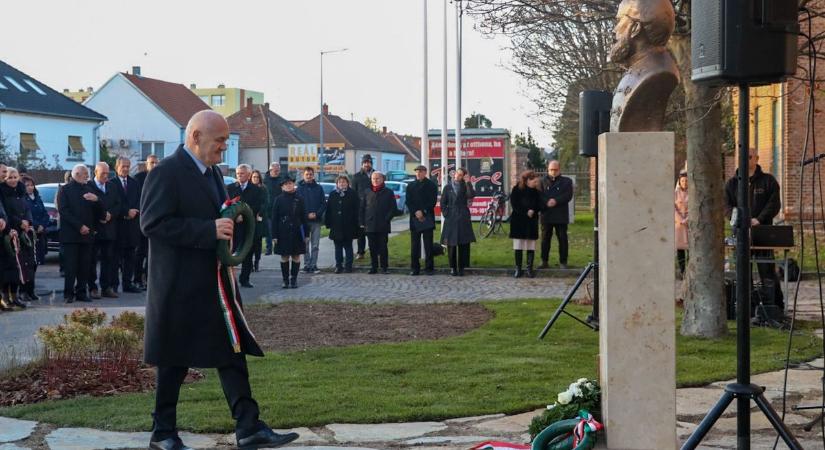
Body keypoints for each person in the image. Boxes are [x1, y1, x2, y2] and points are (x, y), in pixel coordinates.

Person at [141, 110, 298, 449]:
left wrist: (230, 232)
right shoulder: (166, 173)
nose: (225, 148)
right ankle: (163, 432)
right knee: (174, 359)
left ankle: (249, 426)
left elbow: (217, 215)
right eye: (220, 141)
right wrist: (207, 229)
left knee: (231, 350)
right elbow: (152, 224)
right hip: (178, 284)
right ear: (196, 136)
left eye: (226, 141)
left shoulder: (211, 173)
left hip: (213, 282)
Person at [725, 148, 783, 310]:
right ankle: (747, 308)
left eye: (749, 157)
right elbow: (726, 206)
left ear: (756, 158)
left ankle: (771, 307)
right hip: (741, 233)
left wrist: (759, 219)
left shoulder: (769, 181)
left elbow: (774, 204)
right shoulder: (732, 183)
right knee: (743, 273)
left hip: (763, 233)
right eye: (742, 157)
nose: (745, 160)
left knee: (767, 272)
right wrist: (739, 220)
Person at [58, 164, 103, 304]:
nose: (87, 177)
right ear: (77, 174)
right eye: (85, 174)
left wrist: (97, 200)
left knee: (85, 266)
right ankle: (68, 293)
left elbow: (99, 213)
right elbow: (64, 211)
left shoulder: (90, 190)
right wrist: (79, 226)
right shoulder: (64, 190)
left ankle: (82, 292)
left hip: (87, 235)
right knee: (71, 267)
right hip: (71, 236)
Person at [87, 162, 121, 299]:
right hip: (95, 229)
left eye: (108, 173)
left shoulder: (112, 186)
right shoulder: (89, 186)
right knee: (92, 260)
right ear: (96, 172)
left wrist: (110, 214)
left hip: (109, 229)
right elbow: (87, 206)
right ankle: (93, 287)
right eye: (103, 174)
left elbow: (118, 204)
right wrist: (99, 216)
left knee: (109, 260)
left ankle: (106, 287)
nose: (106, 176)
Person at [227, 164, 265, 288]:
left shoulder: (256, 189)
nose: (239, 176)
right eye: (237, 173)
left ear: (248, 175)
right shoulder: (230, 188)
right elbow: (226, 204)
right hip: (233, 225)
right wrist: (235, 215)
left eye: (242, 173)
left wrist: (245, 214)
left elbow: (257, 205)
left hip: (248, 225)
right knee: (230, 251)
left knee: (247, 252)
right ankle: (228, 279)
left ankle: (245, 279)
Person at [0, 168, 32, 308]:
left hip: (21, 233)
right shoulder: (2, 192)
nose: (13, 180)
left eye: (15, 177)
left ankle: (15, 295)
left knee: (18, 268)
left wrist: (27, 221)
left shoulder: (21, 191)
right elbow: (6, 213)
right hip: (9, 233)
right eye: (10, 177)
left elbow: (27, 209)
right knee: (8, 268)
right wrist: (19, 222)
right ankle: (6, 298)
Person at [112, 157, 142, 294]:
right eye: (123, 166)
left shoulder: (134, 183)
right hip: (117, 225)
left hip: (132, 226)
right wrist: (126, 212)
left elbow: (139, 200)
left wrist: (134, 211)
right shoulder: (111, 184)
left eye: (127, 166)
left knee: (130, 256)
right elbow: (113, 203)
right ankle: (113, 285)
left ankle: (127, 283)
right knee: (115, 257)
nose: (125, 169)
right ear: (117, 167)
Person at [271, 177, 308, 288]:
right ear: (282, 187)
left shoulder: (299, 199)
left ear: (293, 185)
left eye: (290, 183)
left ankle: (294, 280)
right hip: (283, 231)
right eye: (286, 184)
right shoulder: (278, 199)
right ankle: (285, 280)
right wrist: (274, 235)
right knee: (284, 256)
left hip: (297, 231)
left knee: (296, 256)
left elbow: (304, 218)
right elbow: (274, 219)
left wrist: (306, 234)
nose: (288, 185)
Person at [360, 171, 397, 274]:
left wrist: (387, 219)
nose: (375, 181)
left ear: (382, 179)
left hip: (383, 224)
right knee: (372, 247)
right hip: (370, 223)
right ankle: (373, 267)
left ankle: (384, 267)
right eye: (373, 179)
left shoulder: (388, 192)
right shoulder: (367, 191)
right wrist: (362, 222)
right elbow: (362, 208)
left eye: (377, 178)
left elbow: (393, 208)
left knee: (383, 247)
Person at [440, 168, 475, 276]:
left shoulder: (465, 186)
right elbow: (442, 203)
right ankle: (452, 267)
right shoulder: (447, 187)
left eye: (461, 175)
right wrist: (446, 214)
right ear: (454, 174)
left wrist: (468, 182)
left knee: (463, 244)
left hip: (463, 216)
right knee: (451, 244)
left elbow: (471, 195)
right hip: (451, 218)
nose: (458, 176)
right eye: (457, 174)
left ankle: (462, 267)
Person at [540, 160, 574, 269]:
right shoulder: (542, 181)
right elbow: (539, 195)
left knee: (562, 238)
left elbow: (568, 195)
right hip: (546, 214)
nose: (553, 172)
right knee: (545, 239)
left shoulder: (566, 181)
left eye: (555, 170)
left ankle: (563, 262)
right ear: (548, 169)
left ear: (559, 170)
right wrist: (546, 201)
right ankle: (544, 261)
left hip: (560, 214)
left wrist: (556, 200)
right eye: (551, 170)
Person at [510, 170, 543, 278]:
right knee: (518, 245)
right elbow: (514, 204)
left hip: (531, 221)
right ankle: (518, 268)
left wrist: (534, 210)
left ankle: (529, 268)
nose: (536, 184)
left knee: (530, 246)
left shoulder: (536, 192)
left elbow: (540, 204)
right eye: (534, 181)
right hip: (519, 220)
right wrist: (525, 211)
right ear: (528, 180)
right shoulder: (517, 189)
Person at [405, 165, 438, 276]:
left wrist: (423, 211)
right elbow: (408, 201)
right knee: (415, 245)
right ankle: (415, 268)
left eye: (421, 171)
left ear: (425, 172)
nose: (418, 173)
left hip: (427, 217)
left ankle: (429, 268)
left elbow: (432, 201)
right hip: (414, 218)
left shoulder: (431, 185)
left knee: (428, 244)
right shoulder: (410, 185)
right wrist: (416, 211)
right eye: (417, 172)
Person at [133, 154, 159, 289]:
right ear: (146, 164)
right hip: (141, 220)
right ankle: (137, 279)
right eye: (151, 163)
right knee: (139, 252)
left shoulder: (161, 177)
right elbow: (136, 198)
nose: (154, 165)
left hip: (156, 222)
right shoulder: (138, 178)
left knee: (152, 253)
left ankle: (150, 280)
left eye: (156, 163)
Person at [324, 175, 359, 273]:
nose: (342, 184)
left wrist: (357, 224)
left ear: (348, 183)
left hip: (349, 225)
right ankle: (338, 266)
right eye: (340, 182)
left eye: (344, 182)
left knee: (348, 246)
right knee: (337, 247)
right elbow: (329, 210)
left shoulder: (352, 194)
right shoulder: (333, 194)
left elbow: (357, 209)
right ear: (337, 184)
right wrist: (328, 223)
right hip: (336, 225)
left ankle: (348, 266)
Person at [295, 167, 325, 274]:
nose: (309, 176)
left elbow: (323, 204)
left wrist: (316, 214)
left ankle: (314, 265)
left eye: (311, 174)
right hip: (304, 221)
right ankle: (307, 265)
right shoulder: (299, 188)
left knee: (315, 245)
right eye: (307, 174)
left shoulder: (319, 188)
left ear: (314, 175)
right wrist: (306, 214)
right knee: (305, 244)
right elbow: (297, 204)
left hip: (316, 221)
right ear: (303, 175)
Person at [22, 176, 49, 267]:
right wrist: (37, 226)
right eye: (27, 185)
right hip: (29, 233)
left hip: (40, 234)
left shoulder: (38, 198)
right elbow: (26, 216)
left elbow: (45, 214)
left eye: (32, 185)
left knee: (38, 260)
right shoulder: (22, 199)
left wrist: (43, 225)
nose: (30, 187)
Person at [351, 154, 374, 260]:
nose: (366, 164)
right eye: (365, 162)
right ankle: (360, 252)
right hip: (360, 207)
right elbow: (353, 193)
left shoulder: (376, 174)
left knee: (373, 231)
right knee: (361, 232)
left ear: (371, 163)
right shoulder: (356, 176)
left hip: (373, 206)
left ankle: (375, 251)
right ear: (362, 164)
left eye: (368, 162)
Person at [263, 162, 284, 256]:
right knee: (268, 230)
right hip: (268, 209)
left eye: (278, 170)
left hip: (279, 209)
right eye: (275, 170)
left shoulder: (282, 180)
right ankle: (268, 248)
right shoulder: (265, 180)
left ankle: (278, 248)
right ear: (270, 170)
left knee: (279, 230)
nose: (276, 172)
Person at [250, 169, 268, 272]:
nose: (255, 179)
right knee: (250, 242)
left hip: (259, 218)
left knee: (258, 242)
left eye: (257, 177)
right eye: (254, 177)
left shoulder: (263, 189)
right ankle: (250, 263)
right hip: (250, 217)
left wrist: (259, 213)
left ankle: (257, 262)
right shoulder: (249, 188)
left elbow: (266, 202)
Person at [674, 171, 689, 278]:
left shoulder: (692, 193)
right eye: (683, 181)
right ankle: (682, 270)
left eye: (686, 181)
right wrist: (680, 219)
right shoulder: (675, 193)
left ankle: (690, 270)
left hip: (689, 224)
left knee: (690, 247)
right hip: (678, 224)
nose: (684, 183)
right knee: (680, 248)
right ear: (679, 181)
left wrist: (687, 219)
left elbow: (694, 207)